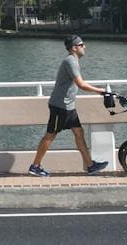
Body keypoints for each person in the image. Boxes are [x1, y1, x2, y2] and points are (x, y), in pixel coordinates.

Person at [29, 34, 109, 176]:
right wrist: (101, 91)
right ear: (74, 48)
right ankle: (35, 166)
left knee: (79, 132)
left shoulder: (74, 61)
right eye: (82, 44)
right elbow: (81, 84)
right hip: (60, 106)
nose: (85, 47)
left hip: (68, 106)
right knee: (50, 135)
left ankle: (90, 165)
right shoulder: (70, 61)